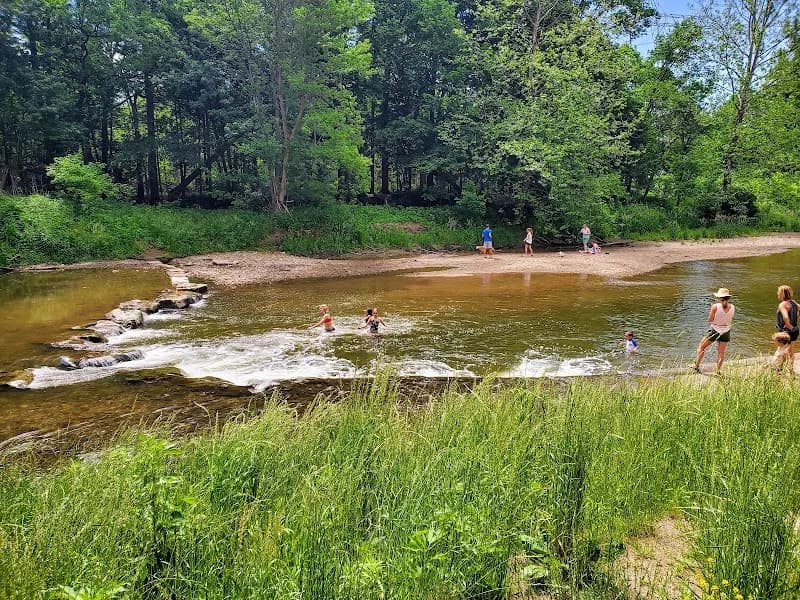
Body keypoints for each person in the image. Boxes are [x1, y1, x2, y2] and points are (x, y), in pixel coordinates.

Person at [693, 288, 735, 374]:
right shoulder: (733, 307)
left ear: (719, 298)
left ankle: (696, 367)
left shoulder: (715, 306)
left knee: (701, 347)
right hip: (726, 331)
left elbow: (710, 319)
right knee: (721, 352)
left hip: (715, 330)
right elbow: (730, 318)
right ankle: (718, 371)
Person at [776, 284, 798, 367]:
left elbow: (785, 317)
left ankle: (778, 369)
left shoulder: (783, 304)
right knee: (791, 351)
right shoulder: (794, 303)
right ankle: (790, 370)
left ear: (782, 293)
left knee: (781, 351)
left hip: (785, 330)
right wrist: (794, 324)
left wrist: (789, 326)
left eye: (778, 292)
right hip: (795, 330)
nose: (777, 294)